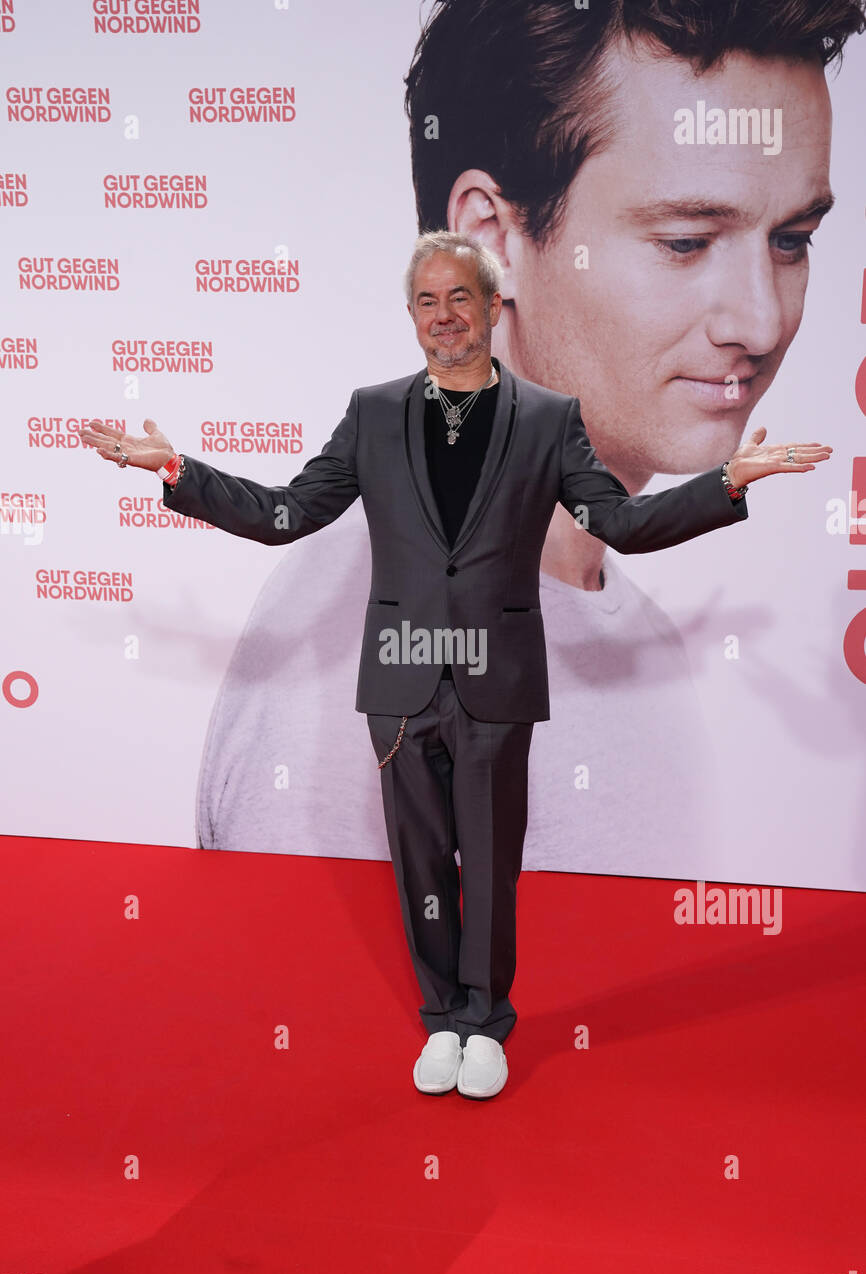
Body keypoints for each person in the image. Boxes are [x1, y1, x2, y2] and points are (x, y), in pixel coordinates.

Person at [79, 231, 831, 1098]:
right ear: (412, 318)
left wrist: (727, 482)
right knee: (421, 861)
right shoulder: (372, 412)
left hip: (496, 678)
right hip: (399, 681)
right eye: (427, 303)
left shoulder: (549, 419)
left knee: (490, 856)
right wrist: (177, 470)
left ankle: (488, 1020)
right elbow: (287, 512)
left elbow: (618, 526)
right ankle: (442, 1018)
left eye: (460, 299)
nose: (445, 318)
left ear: (489, 307)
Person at [186, 0, 863, 881]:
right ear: (489, 243)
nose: (762, 321)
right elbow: (297, 1009)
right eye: (687, 241)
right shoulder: (347, 642)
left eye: (792, 240)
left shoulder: (641, 632)